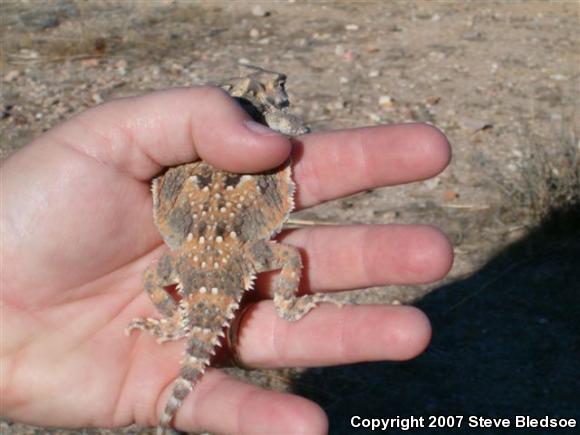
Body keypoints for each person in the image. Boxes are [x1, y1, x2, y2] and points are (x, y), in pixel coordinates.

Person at [1, 86, 453, 434]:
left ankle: (177, 324)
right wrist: (285, 302)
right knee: (289, 257)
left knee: (157, 281)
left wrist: (173, 317)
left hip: (195, 247)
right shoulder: (253, 130)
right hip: (231, 247)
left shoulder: (217, 137)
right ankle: (285, 308)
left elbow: (157, 281)